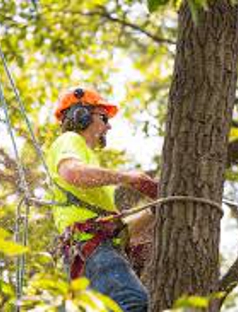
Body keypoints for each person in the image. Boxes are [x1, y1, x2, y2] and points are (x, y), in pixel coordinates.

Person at [46, 87, 157, 312]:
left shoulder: (90, 158)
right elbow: (72, 173)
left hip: (92, 251)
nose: (109, 125)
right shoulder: (70, 140)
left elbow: (115, 230)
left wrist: (156, 209)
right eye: (104, 117)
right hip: (90, 249)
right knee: (133, 301)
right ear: (81, 115)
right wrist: (128, 178)